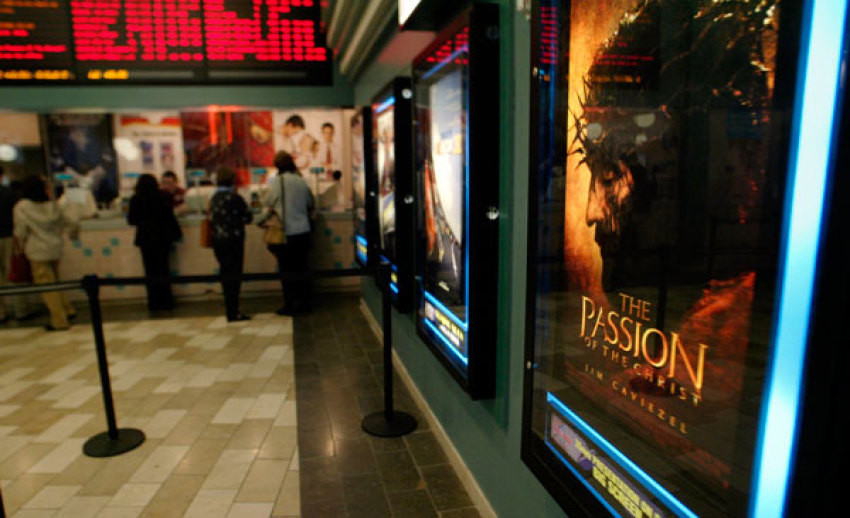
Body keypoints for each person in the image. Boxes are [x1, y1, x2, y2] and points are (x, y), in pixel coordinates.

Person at [13, 175, 78, 331]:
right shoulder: (53, 205)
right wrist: (73, 235)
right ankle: (67, 309)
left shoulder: (22, 207)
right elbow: (72, 222)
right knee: (56, 280)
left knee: (47, 286)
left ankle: (59, 320)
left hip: (36, 250)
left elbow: (20, 231)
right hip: (55, 248)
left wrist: (18, 249)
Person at [262, 151, 315, 315]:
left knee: (287, 271)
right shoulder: (301, 181)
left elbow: (267, 202)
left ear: (277, 166)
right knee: (302, 268)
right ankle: (305, 303)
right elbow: (310, 203)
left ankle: (290, 304)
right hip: (304, 231)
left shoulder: (277, 182)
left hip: (287, 233)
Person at [127, 174, 182, 311]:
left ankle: (154, 302)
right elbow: (169, 215)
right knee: (163, 269)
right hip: (163, 238)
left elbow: (131, 220)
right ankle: (167, 301)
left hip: (145, 239)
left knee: (150, 271)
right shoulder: (163, 196)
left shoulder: (136, 199)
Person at [209, 167, 252, 322]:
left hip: (218, 241)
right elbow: (248, 218)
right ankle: (233, 311)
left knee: (225, 274)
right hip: (234, 241)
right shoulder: (235, 198)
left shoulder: (214, 198)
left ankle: (230, 309)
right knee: (235, 275)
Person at [0, 167, 32, 322]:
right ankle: (21, 310)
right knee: (14, 274)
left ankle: (1, 312)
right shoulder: (11, 194)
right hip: (9, 237)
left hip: (8, 236)